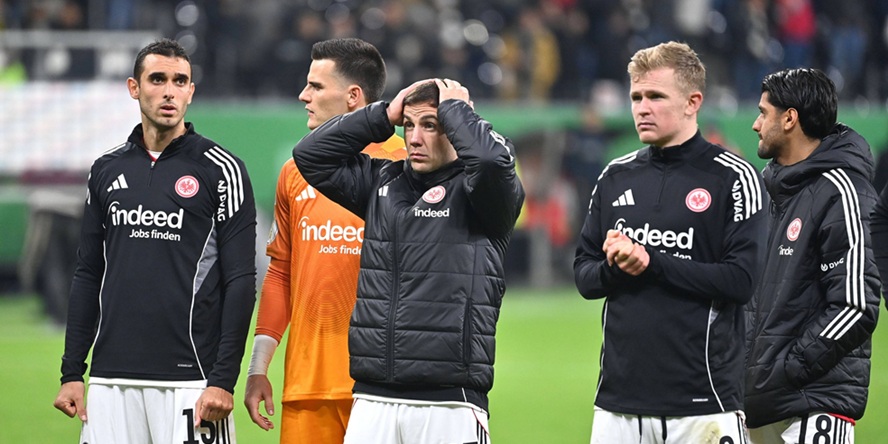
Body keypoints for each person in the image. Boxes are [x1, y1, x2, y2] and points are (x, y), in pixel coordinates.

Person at [293, 78, 524, 443]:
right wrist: (384, 115)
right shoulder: (383, 182)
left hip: (450, 402)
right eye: (409, 125)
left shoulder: (485, 194)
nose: (414, 138)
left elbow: (490, 161)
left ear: (456, 128)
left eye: (430, 125)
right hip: (373, 398)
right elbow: (310, 156)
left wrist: (456, 109)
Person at [52, 38, 257, 442]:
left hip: (191, 380)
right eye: (157, 79)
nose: (169, 92)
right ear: (134, 87)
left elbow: (240, 281)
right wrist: (72, 371)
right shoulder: (105, 170)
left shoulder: (222, 170)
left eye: (180, 81)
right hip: (110, 380)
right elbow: (88, 273)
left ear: (191, 92)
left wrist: (223, 380)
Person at [573, 41, 766, 444]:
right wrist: (617, 266)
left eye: (656, 96)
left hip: (703, 404)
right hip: (617, 405)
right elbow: (585, 277)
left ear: (693, 102)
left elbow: (741, 281)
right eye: (636, 97)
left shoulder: (734, 177)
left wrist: (651, 262)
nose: (642, 108)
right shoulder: (615, 176)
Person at [242, 38, 405, 443]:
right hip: (307, 387)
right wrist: (258, 367)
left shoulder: (407, 167)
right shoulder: (293, 173)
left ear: (353, 97)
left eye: (316, 86)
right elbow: (281, 273)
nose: (303, 95)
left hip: (383, 388)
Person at [745, 68, 881, 444]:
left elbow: (856, 305)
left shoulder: (844, 192)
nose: (755, 124)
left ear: (790, 118)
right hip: (757, 404)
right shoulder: (764, 194)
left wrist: (791, 368)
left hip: (813, 404)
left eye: (763, 113)